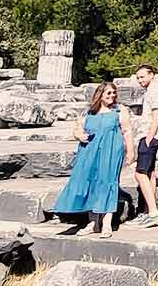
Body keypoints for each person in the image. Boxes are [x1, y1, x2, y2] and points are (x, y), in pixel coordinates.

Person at [51, 81, 134, 237]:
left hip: (111, 151)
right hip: (89, 152)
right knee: (89, 183)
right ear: (100, 95)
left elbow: (127, 131)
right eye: (108, 93)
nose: (112, 96)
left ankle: (107, 224)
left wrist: (130, 151)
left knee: (108, 183)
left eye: (114, 93)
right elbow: (77, 129)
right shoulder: (90, 112)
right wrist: (79, 135)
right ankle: (93, 222)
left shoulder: (119, 110)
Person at [127, 63, 158, 228]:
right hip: (149, 135)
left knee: (140, 173)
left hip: (150, 136)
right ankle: (147, 210)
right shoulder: (150, 91)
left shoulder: (156, 91)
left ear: (152, 75)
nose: (140, 80)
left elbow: (156, 116)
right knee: (150, 173)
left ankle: (152, 212)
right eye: (138, 77)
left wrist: (149, 138)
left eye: (142, 76)